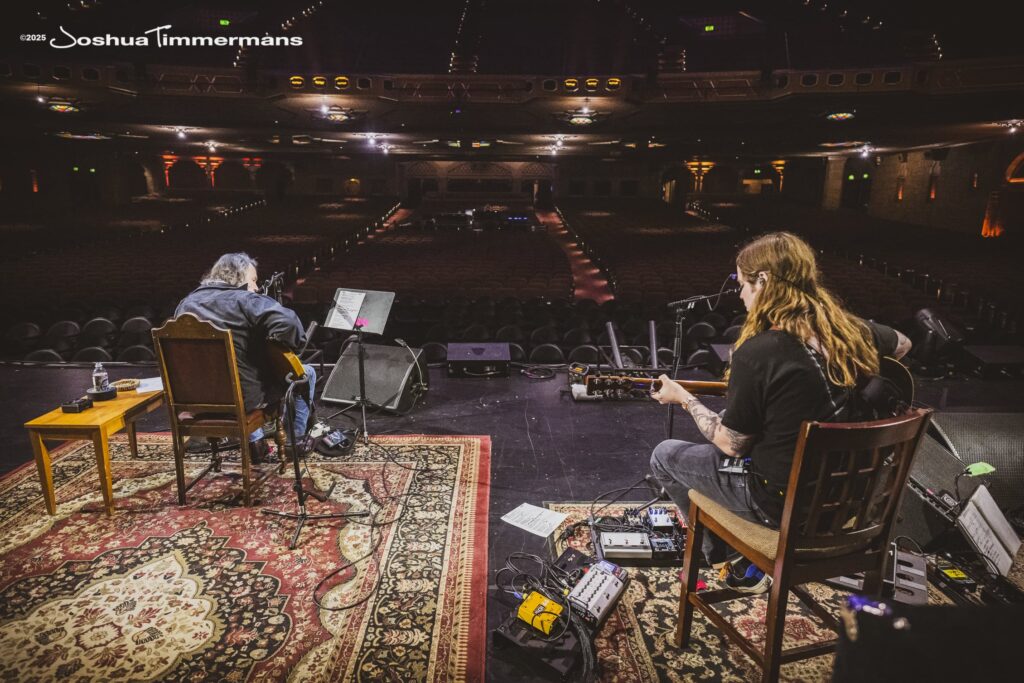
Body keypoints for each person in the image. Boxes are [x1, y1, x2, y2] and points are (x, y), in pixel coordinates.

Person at [649, 232, 911, 591]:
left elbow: (732, 445)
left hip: (785, 510)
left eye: (742, 284)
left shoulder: (759, 353)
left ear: (764, 281)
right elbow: (904, 343)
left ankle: (728, 556)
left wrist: (683, 399)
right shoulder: (850, 332)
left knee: (664, 456)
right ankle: (741, 558)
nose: (740, 294)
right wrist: (862, 376)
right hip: (851, 503)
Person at [175, 253, 315, 461]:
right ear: (240, 278)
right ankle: (293, 443)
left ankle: (255, 444)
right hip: (244, 399)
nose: (257, 288)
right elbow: (289, 324)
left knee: (240, 372)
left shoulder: (186, 304)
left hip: (198, 399)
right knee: (307, 373)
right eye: (253, 280)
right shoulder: (247, 301)